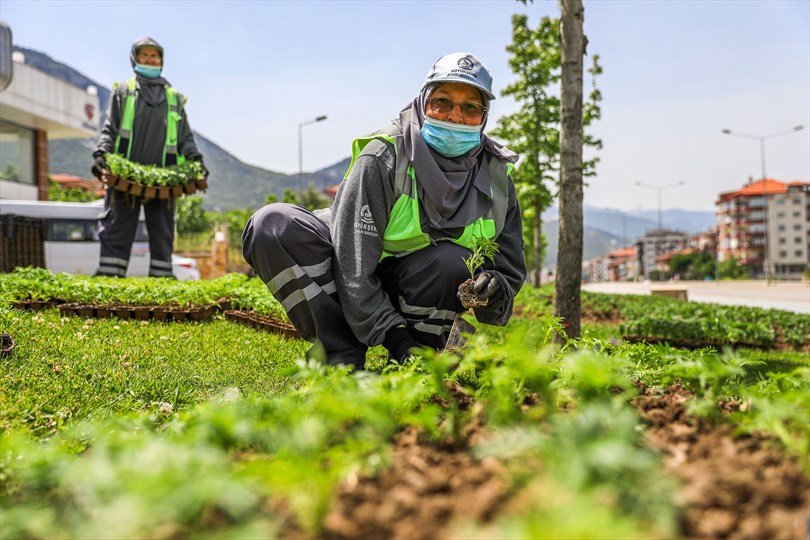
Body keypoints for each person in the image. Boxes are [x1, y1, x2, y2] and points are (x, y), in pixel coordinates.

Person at [242, 52, 526, 368]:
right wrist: (394, 336)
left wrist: (494, 288)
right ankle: (341, 354)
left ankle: (422, 357)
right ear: (422, 104)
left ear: (484, 116)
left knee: (451, 262)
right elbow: (351, 262)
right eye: (442, 102)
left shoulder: (496, 180)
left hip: (414, 280)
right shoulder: (384, 157)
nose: (454, 116)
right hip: (344, 271)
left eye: (470, 107)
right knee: (271, 225)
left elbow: (509, 267)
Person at [91, 37, 205, 278]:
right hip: (124, 176)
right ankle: (110, 279)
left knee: (163, 231)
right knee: (116, 227)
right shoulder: (123, 92)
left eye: (155, 56)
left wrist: (196, 160)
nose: (150, 60)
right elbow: (110, 128)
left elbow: (185, 136)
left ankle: (162, 279)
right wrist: (102, 153)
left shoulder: (174, 98)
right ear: (135, 59)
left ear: (162, 61)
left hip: (164, 180)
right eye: (145, 56)